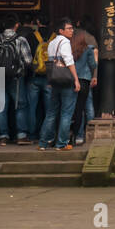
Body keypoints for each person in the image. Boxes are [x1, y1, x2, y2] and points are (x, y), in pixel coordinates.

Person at [38, 17, 80, 151]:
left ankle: (43, 143)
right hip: (66, 81)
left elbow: (51, 62)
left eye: (72, 28)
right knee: (66, 113)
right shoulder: (65, 42)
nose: (72, 30)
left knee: (51, 113)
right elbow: (69, 61)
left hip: (55, 80)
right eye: (69, 28)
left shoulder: (52, 43)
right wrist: (76, 79)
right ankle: (61, 143)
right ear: (61, 30)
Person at [0, 13, 25, 145]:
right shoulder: (20, 40)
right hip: (16, 79)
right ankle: (21, 135)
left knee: (1, 107)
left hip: (0, 77)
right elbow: (28, 60)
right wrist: (20, 71)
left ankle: (3, 136)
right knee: (20, 106)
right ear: (16, 25)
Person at [15, 15, 49, 145]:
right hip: (49, 78)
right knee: (49, 109)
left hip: (33, 77)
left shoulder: (30, 37)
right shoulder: (54, 37)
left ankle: (31, 134)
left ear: (38, 22)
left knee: (31, 108)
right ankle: (47, 134)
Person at [70, 23, 99, 145]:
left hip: (71, 80)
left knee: (71, 109)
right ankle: (87, 135)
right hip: (85, 80)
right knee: (85, 107)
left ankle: (75, 135)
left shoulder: (68, 48)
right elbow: (93, 65)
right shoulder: (88, 48)